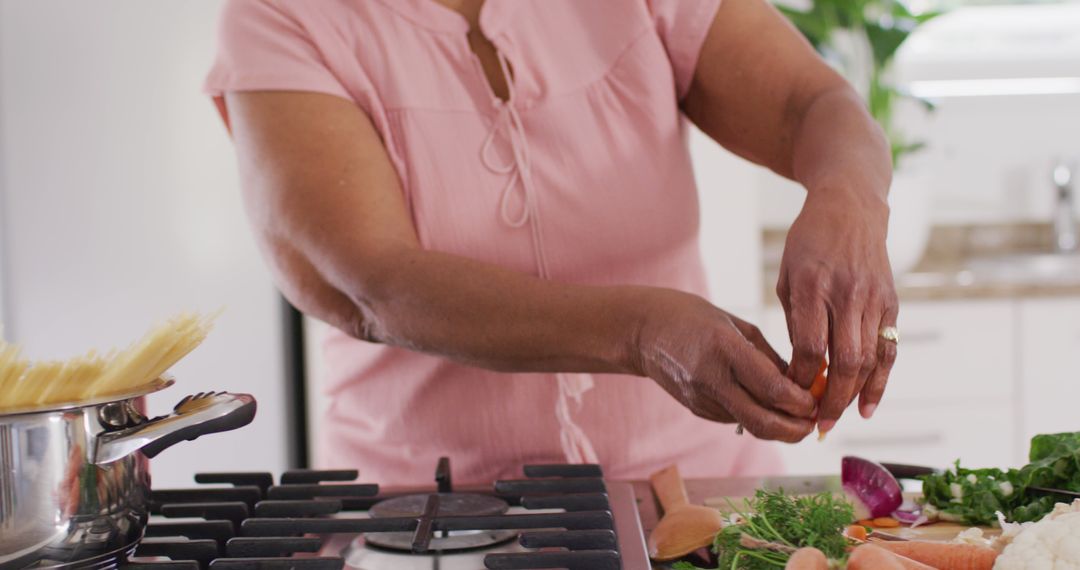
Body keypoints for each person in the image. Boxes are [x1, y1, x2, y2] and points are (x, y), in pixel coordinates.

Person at [205, 0, 899, 484]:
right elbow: (374, 283)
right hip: (427, 512)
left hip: (695, 488)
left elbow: (807, 105)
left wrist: (850, 198)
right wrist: (643, 331)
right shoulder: (279, 15)